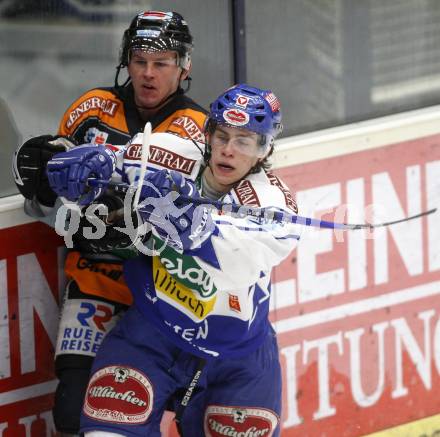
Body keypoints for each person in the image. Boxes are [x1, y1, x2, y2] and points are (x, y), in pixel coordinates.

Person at [46, 83, 301, 436]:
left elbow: (241, 262)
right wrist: (92, 163)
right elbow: (114, 161)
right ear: (208, 134)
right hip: (153, 335)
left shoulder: (270, 200)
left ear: (264, 149)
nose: (228, 150)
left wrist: (194, 229)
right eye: (222, 135)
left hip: (236, 361)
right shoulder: (168, 153)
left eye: (243, 141)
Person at [12, 10, 207, 436]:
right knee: (70, 411)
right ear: (126, 61)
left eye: (162, 62)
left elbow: (198, 229)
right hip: (95, 284)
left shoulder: (197, 132)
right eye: (140, 60)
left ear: (184, 66)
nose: (148, 74)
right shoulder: (91, 110)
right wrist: (44, 193)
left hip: (164, 295)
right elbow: (49, 205)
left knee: (178, 408)